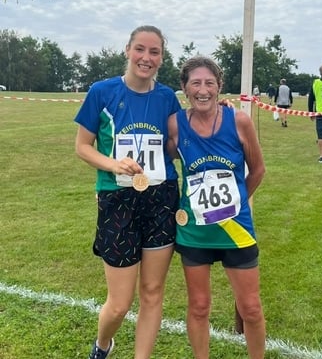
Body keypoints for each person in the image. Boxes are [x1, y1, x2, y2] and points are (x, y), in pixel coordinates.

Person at [74, 25, 181, 359]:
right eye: (140, 49)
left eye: (154, 52)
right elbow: (82, 146)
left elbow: (176, 147)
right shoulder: (102, 92)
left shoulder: (166, 97)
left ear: (162, 58)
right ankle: (103, 344)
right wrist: (113, 164)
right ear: (127, 50)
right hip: (117, 199)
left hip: (160, 199)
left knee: (152, 292)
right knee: (120, 305)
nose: (146, 58)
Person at [168, 56, 266, 359]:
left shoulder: (239, 121)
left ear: (219, 87)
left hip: (236, 231)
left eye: (209, 83)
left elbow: (258, 169)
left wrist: (233, 205)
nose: (203, 89)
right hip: (194, 233)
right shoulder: (175, 124)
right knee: (198, 307)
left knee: (250, 307)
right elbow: (160, 162)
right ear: (184, 88)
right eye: (195, 83)